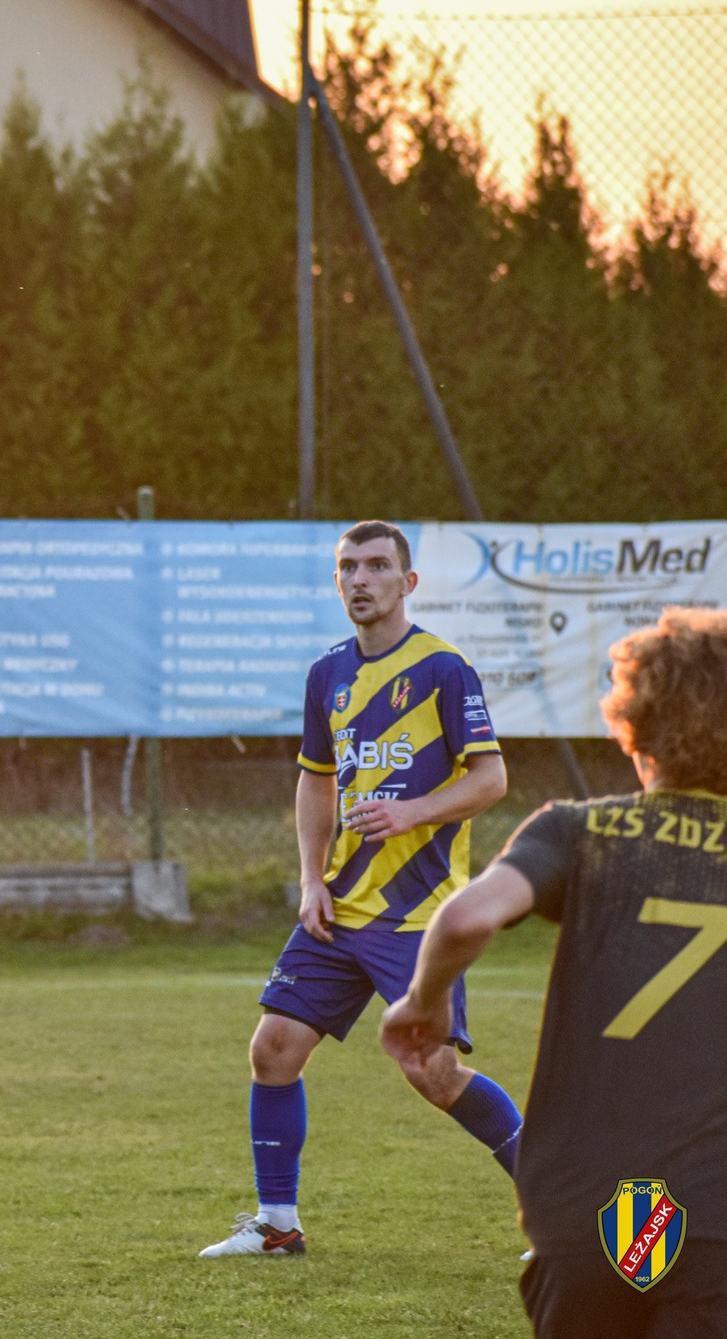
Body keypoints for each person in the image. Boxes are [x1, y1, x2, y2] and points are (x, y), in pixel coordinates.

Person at [383, 607, 727, 1336]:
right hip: (718, 1209)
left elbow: (465, 918)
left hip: (590, 1208)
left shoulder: (579, 829)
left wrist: (424, 1001)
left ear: (633, 727)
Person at [200, 520, 522, 1257]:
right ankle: (277, 1222)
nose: (360, 579)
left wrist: (410, 810)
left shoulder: (443, 668)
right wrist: (311, 878)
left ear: (408, 583)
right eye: (348, 567)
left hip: (418, 913)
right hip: (338, 907)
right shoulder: (327, 674)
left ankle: (552, 1203)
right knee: (274, 1046)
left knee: (431, 1071)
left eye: (378, 565)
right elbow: (315, 784)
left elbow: (491, 779)